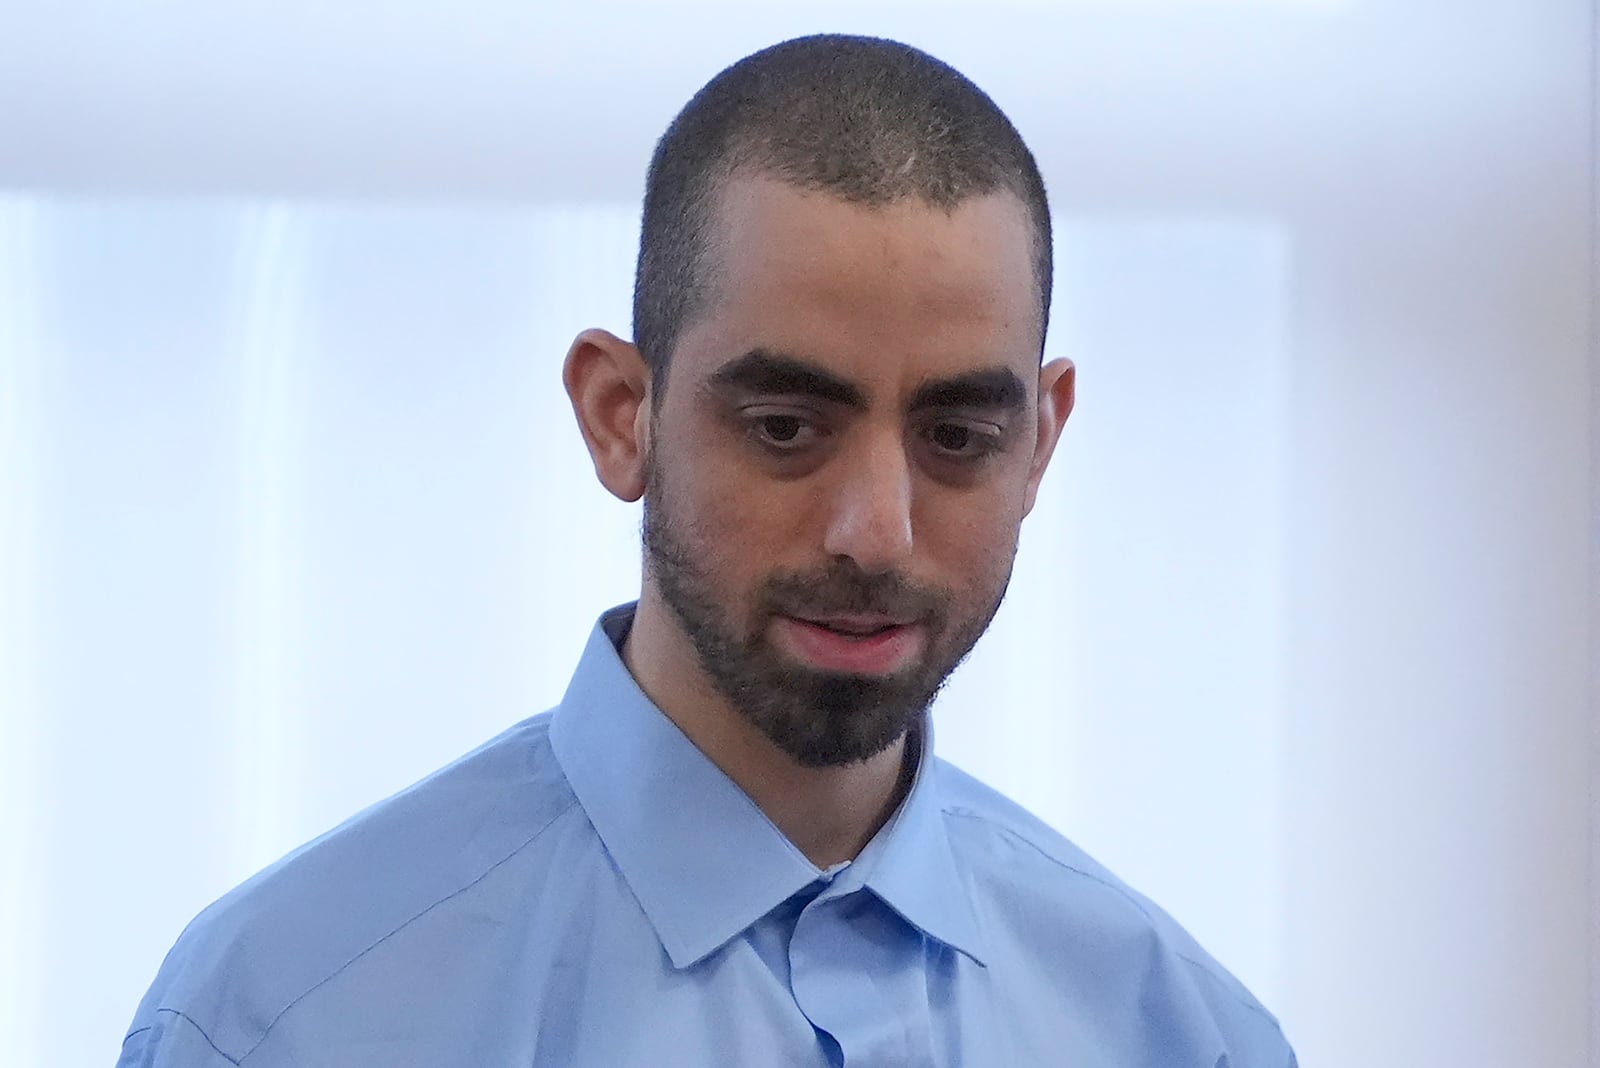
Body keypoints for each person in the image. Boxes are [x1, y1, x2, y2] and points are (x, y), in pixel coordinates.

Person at [118, 34, 1296, 1067]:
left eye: (956, 436)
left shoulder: (1184, 1034)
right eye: (786, 427)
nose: (875, 531)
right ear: (621, 415)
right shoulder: (282, 1020)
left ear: (1038, 445)